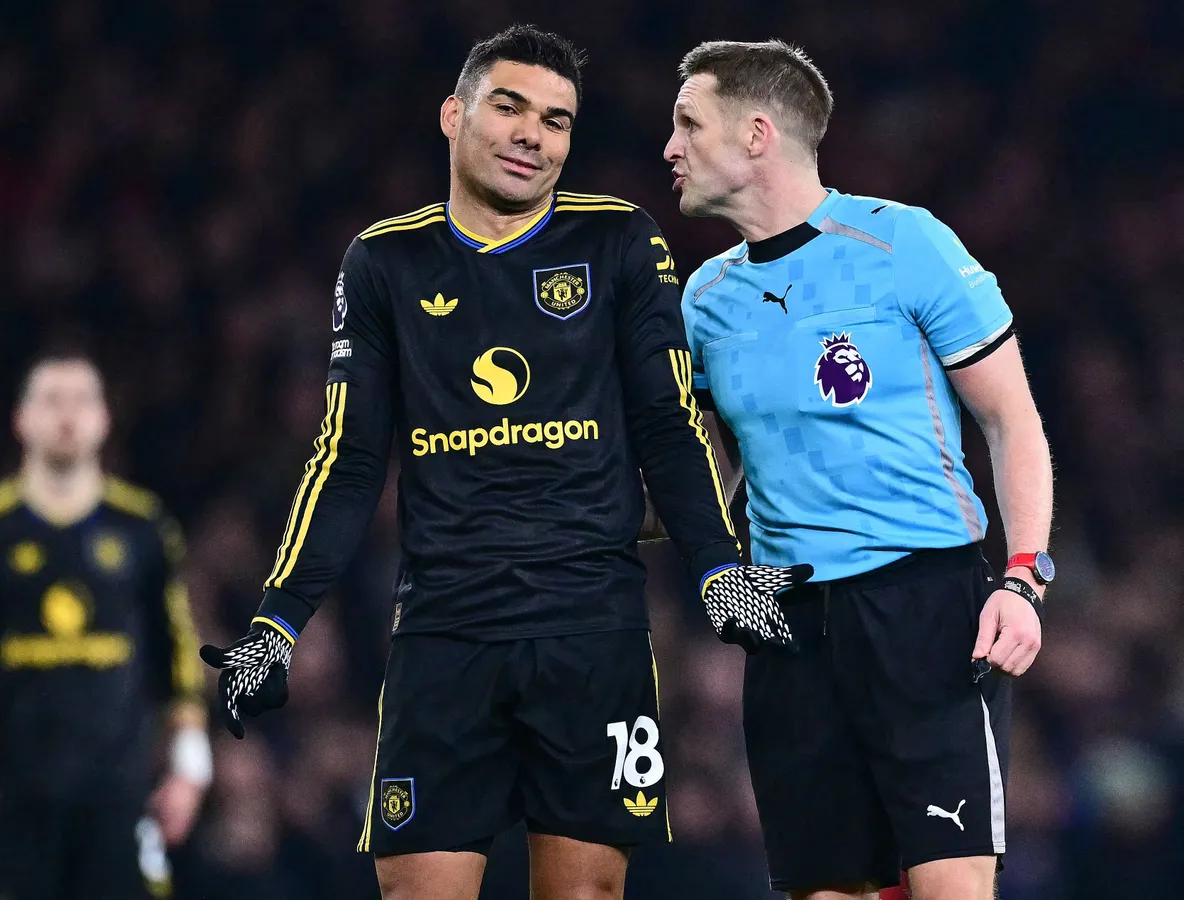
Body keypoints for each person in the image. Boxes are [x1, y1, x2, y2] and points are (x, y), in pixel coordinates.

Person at [198, 24, 811, 900]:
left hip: (590, 634)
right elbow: (349, 459)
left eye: (558, 121)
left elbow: (671, 425)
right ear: (453, 115)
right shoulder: (384, 262)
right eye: (510, 106)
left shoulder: (621, 244)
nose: (534, 133)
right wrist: (277, 623)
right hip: (445, 636)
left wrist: (719, 569)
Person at [662, 40, 1054, 900]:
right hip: (790, 628)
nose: (671, 148)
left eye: (689, 123)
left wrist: (1023, 578)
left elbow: (1010, 418)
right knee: (824, 889)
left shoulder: (903, 243)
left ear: (757, 134)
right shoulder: (702, 299)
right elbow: (715, 472)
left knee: (951, 887)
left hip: (924, 607)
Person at [0, 351, 211, 899]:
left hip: (118, 787)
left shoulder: (142, 527)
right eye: (51, 400)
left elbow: (175, 649)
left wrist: (189, 763)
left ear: (105, 419)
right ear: (21, 419)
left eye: (82, 400)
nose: (67, 415)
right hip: (13, 789)